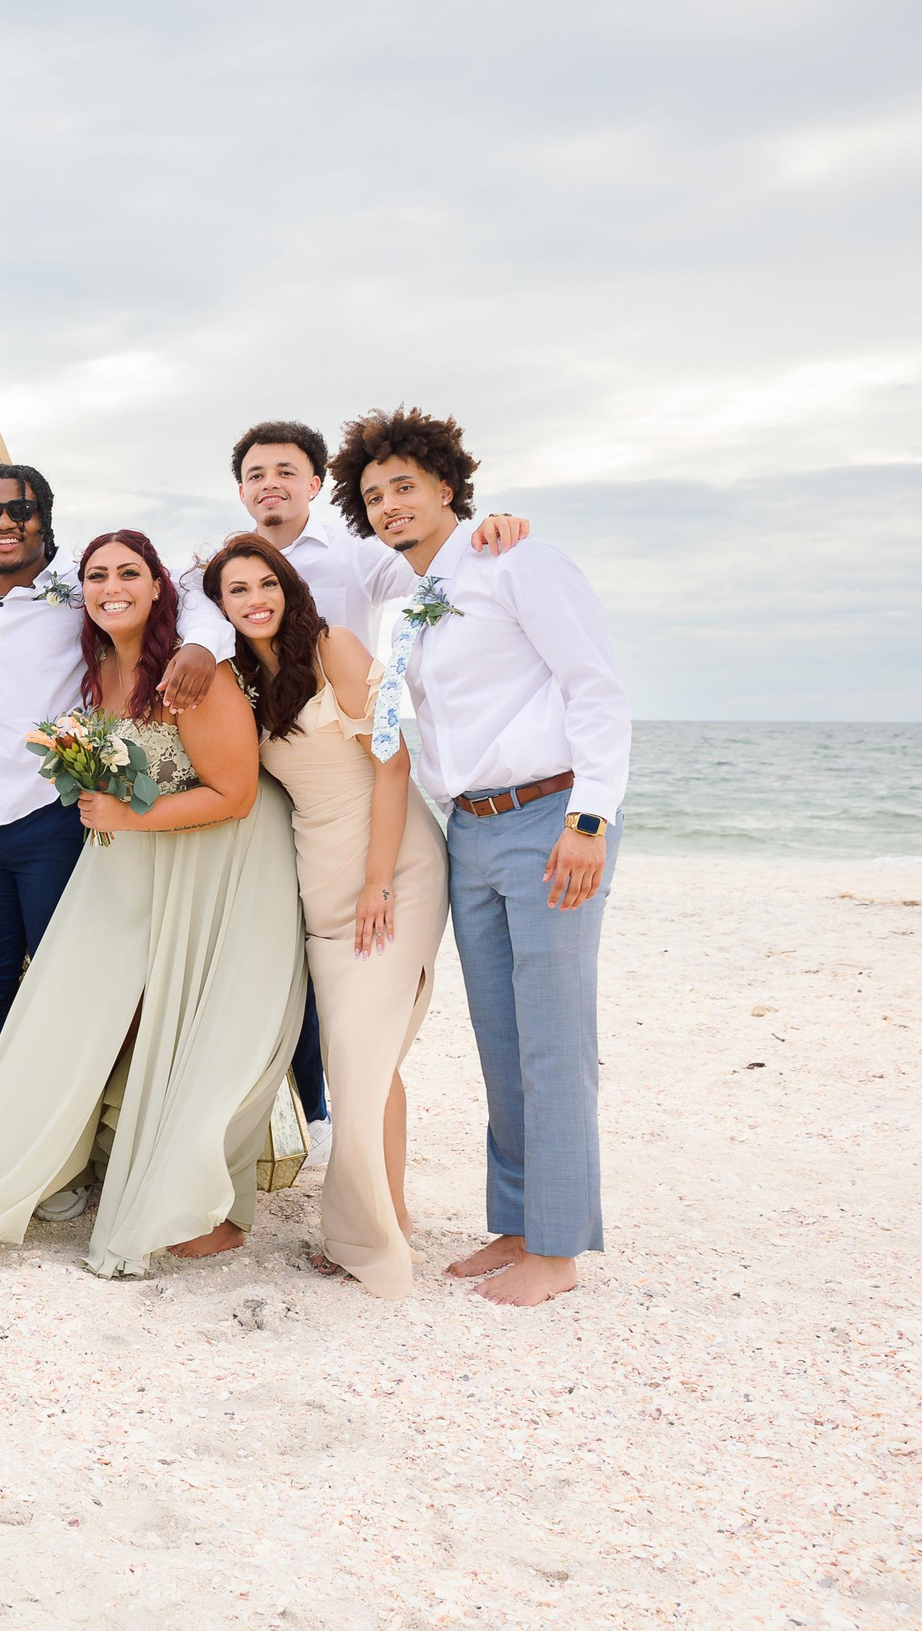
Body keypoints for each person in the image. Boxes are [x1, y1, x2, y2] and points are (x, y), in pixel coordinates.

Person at [0, 531, 307, 1278]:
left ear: (158, 585)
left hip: (229, 861)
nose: (113, 586)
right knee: (81, 1003)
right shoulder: (99, 663)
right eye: (97, 575)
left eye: (129, 573)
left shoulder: (192, 670)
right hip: (151, 855)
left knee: (208, 1026)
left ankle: (213, 1202)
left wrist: (127, 817)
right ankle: (47, 1157)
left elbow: (236, 795)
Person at [331, 407, 628, 1308]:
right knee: (500, 1035)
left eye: (406, 488)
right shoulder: (412, 606)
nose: (390, 506)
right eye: (375, 495)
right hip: (471, 827)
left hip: (550, 818)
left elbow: (596, 687)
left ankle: (560, 1246)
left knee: (554, 1036)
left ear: (448, 487)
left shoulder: (516, 560)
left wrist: (590, 820)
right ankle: (517, 1222)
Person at [175, 422, 528, 1167]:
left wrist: (485, 528)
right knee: (293, 983)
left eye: (287, 470)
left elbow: (441, 573)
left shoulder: (358, 554)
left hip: (364, 787)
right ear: (242, 491)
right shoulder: (222, 575)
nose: (270, 482)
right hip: (292, 801)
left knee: (358, 1026)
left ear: (312, 483)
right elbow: (199, 613)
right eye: (256, 473)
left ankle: (332, 1127)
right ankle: (303, 1121)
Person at [206, 532, 447, 1298]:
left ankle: (380, 1233)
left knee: (357, 1052)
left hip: (392, 863)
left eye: (264, 583)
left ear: (288, 585)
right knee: (361, 1056)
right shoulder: (246, 679)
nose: (254, 600)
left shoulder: (333, 646)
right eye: (236, 591)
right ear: (222, 606)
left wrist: (379, 880)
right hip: (320, 874)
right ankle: (375, 1224)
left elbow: (394, 759)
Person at [0, 465, 89, 1076]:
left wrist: (198, 646)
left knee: (64, 982)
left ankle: (68, 1132)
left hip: (49, 820)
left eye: (20, 510)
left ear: (45, 522)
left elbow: (184, 597)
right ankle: (1, 1125)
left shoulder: (83, 586)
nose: (4, 523)